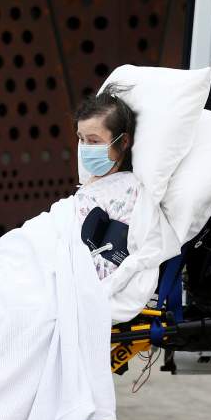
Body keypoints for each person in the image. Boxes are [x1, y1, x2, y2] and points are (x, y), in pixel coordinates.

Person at [73, 84, 139, 280]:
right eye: (81, 139)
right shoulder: (89, 186)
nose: (84, 148)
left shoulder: (129, 191)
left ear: (123, 141)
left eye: (94, 141)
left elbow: (109, 268)